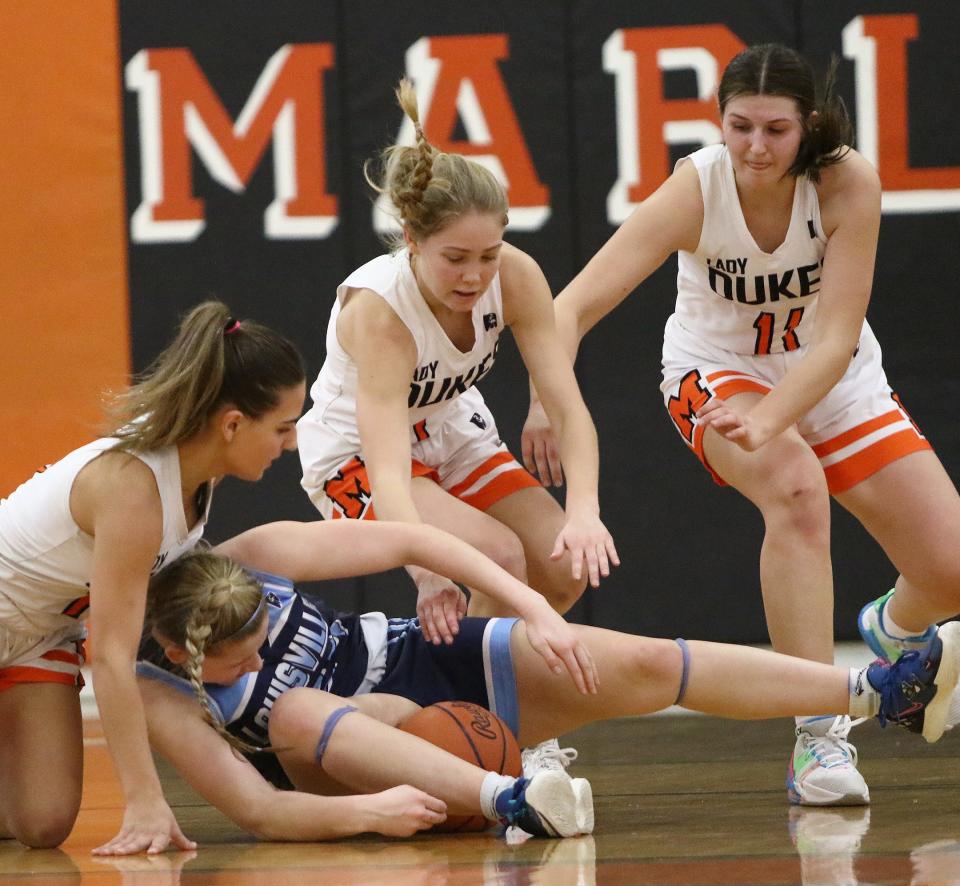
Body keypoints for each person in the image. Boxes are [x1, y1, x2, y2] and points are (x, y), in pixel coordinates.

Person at [520, 42, 960, 806]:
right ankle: (818, 735)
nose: (755, 147)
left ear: (809, 126)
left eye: (776, 130)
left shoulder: (848, 181)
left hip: (832, 376)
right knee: (795, 487)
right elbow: (572, 305)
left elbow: (834, 341)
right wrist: (542, 399)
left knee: (951, 569)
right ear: (718, 121)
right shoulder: (698, 187)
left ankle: (893, 625)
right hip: (715, 374)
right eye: (739, 125)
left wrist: (777, 417)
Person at [135, 518, 959, 843]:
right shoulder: (159, 686)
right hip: (356, 756)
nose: (255, 658)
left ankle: (880, 691)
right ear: (183, 653)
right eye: (239, 661)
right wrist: (370, 813)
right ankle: (514, 797)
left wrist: (538, 609)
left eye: (261, 640)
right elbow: (252, 809)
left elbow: (407, 538)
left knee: (639, 660)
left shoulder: (257, 558)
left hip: (421, 657)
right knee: (315, 703)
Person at [296, 79, 619, 652]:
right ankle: (478, 716)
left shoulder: (517, 278)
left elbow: (568, 410)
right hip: (358, 455)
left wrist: (585, 511)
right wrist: (426, 573)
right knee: (496, 556)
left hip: (449, 428)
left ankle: (481, 710)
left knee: (564, 564)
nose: (473, 276)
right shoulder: (381, 315)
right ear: (413, 240)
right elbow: (389, 473)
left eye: (487, 256)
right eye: (455, 259)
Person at [0, 301, 306, 855]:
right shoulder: (134, 489)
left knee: (42, 824)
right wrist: (144, 800)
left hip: (41, 631)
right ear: (232, 424)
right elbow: (111, 658)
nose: (292, 443)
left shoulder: (199, 470)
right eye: (283, 427)